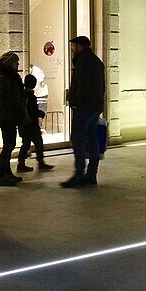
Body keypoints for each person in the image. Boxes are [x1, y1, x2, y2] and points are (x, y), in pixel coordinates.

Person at [61, 35, 105, 188]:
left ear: (81, 47)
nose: (73, 49)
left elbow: (82, 87)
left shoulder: (83, 63)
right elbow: (102, 87)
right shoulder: (97, 62)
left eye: (75, 46)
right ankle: (92, 173)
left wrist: (75, 102)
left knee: (77, 139)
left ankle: (80, 173)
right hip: (95, 106)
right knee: (92, 138)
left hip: (84, 107)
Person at [0, 51, 27, 187]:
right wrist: (18, 102)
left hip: (8, 116)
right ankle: (1, 175)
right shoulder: (5, 79)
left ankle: (6, 172)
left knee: (9, 145)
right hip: (7, 117)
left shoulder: (8, 78)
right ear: (9, 63)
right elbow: (5, 98)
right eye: (16, 62)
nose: (18, 64)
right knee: (8, 146)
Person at [17, 73, 53, 173]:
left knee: (26, 144)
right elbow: (32, 111)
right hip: (31, 125)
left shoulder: (22, 95)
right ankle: (40, 162)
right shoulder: (30, 96)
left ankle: (21, 163)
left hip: (24, 124)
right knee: (38, 143)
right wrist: (40, 113)